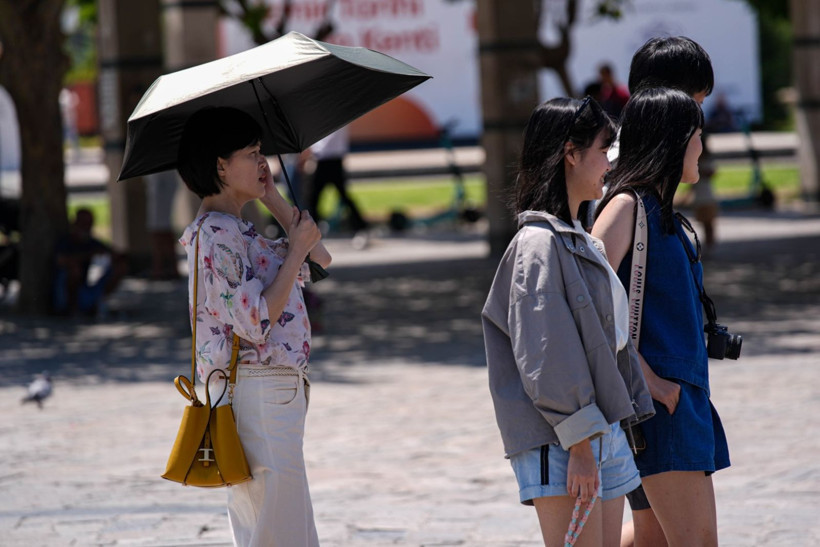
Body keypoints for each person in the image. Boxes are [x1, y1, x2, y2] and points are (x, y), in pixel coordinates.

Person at [482, 96, 654, 547]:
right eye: (603, 149)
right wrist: (580, 443)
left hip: (599, 434)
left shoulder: (573, 236)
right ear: (570, 153)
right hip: (567, 440)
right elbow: (545, 353)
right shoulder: (538, 244)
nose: (609, 163)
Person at [176, 106, 331, 546]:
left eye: (263, 151)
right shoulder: (219, 233)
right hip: (258, 389)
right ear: (220, 165)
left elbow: (321, 261)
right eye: (251, 153)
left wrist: (274, 200)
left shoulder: (239, 231)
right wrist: (296, 251)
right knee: (279, 527)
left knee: (279, 521)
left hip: (265, 391)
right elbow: (254, 321)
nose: (263, 163)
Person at [592, 87, 731, 547]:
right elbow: (585, 300)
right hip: (661, 405)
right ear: (673, 139)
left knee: (655, 538)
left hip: (683, 398)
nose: (701, 146)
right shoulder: (627, 205)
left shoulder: (662, 211)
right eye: (696, 134)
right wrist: (647, 379)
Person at [581, 36, 714, 231]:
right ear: (668, 100)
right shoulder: (618, 188)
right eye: (698, 104)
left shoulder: (643, 178)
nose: (698, 118)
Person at [52, 208, 127, 317]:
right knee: (74, 269)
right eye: (83, 223)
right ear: (75, 223)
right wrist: (87, 256)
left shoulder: (91, 242)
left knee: (121, 267)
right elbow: (61, 260)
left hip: (84, 290)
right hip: (63, 294)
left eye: (89, 224)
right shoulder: (65, 241)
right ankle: (71, 310)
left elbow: (115, 254)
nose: (86, 227)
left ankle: (96, 304)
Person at [307, 127, 368, 234]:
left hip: (330, 159)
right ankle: (312, 225)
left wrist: (314, 150)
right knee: (315, 196)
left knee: (321, 195)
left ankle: (360, 224)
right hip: (328, 159)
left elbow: (326, 142)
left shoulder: (334, 122)